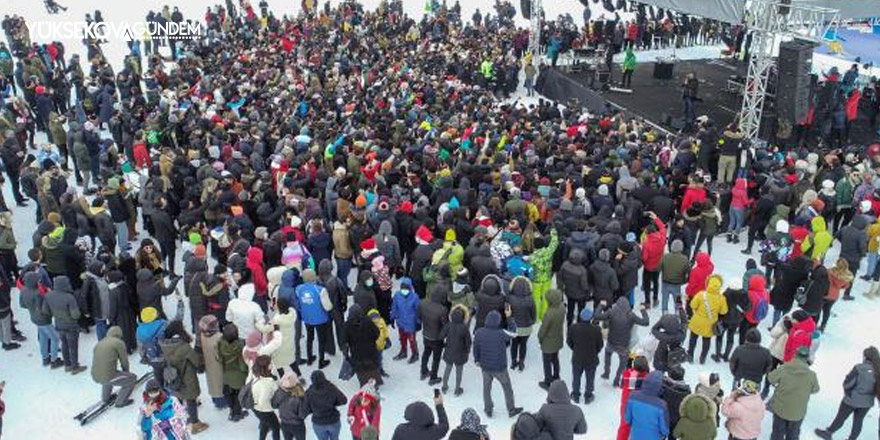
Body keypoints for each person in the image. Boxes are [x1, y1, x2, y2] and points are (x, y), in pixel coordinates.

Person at [814, 346, 880, 440]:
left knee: (841, 417)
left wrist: (847, 392)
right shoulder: (878, 371)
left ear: (865, 357)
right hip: (867, 403)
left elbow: (848, 383)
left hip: (852, 399)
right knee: (858, 421)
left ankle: (829, 432)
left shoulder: (859, 368)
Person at [159, 320, 208, 434]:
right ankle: (195, 424)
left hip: (173, 376)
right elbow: (196, 362)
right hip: (186, 376)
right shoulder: (183, 346)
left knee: (179, 397)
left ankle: (182, 418)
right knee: (191, 398)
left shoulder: (164, 344)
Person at [472, 309, 523, 418]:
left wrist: (477, 360)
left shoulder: (479, 332)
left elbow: (475, 347)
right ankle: (511, 409)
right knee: (507, 387)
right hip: (500, 368)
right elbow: (514, 333)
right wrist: (509, 318)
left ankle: (488, 409)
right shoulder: (501, 333)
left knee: (486, 388)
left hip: (485, 367)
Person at [767, 346, 820, 440]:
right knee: (793, 435)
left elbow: (770, 378)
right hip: (798, 412)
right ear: (807, 358)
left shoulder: (784, 368)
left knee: (777, 433)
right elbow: (815, 390)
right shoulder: (811, 375)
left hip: (780, 409)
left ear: (795, 355)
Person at [595, 297, 649, 386]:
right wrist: (643, 310)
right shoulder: (631, 315)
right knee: (622, 364)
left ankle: (606, 372)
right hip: (623, 345)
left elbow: (597, 316)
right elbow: (645, 322)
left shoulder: (611, 312)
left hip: (611, 342)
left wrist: (601, 305)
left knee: (607, 355)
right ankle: (616, 380)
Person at [42, 275, 86, 373]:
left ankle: (67, 365)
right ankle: (75, 367)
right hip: (71, 326)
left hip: (58, 324)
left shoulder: (48, 295)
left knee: (64, 345)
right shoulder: (69, 297)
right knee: (73, 346)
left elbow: (45, 311)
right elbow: (75, 315)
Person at [18, 271, 62, 366]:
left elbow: (22, 305)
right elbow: (45, 309)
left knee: (43, 338)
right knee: (55, 338)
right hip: (44, 319)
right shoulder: (38, 294)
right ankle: (54, 360)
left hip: (34, 317)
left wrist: (32, 307)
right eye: (38, 280)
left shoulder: (23, 290)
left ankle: (45, 358)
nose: (39, 281)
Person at [90, 325, 137, 408]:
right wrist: (127, 374)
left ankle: (106, 398)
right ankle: (121, 401)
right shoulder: (118, 343)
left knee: (107, 375)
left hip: (95, 375)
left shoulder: (100, 343)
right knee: (132, 378)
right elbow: (124, 361)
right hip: (108, 376)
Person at [687, 274, 728, 364]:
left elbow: (692, 305)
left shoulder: (701, 294)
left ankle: (690, 355)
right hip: (710, 323)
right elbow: (723, 312)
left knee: (693, 339)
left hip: (697, 321)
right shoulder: (721, 299)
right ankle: (703, 358)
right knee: (706, 341)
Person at [624, 371, 670, 440]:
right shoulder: (662, 405)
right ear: (660, 386)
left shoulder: (632, 396)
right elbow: (665, 430)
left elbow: (627, 419)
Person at [217, 323, 249, 422]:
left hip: (226, 373)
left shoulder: (220, 344)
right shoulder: (242, 345)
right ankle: (236, 413)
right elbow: (243, 364)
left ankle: (232, 409)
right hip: (239, 374)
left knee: (229, 393)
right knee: (239, 394)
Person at [304, 370, 347, 440]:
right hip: (333, 420)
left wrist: (313, 409)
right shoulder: (331, 387)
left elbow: (305, 409)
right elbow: (343, 400)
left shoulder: (308, 393)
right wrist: (334, 403)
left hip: (318, 422)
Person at [441, 305, 472, 396]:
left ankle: (444, 386)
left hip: (449, 351)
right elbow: (468, 342)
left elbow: (441, 336)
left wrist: (444, 345)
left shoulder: (448, 325)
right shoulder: (464, 327)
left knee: (447, 369)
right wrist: (467, 351)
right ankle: (457, 389)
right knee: (459, 372)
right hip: (460, 353)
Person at [391, 277, 420, 362]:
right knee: (402, 338)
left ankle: (415, 354)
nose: (404, 291)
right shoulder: (397, 295)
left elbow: (418, 311)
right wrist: (392, 317)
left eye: (406, 289)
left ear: (410, 288)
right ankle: (403, 351)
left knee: (412, 340)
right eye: (402, 289)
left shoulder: (415, 297)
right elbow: (394, 307)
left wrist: (418, 322)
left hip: (411, 324)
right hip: (401, 322)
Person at [252, 355, 281, 440]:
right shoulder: (269, 383)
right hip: (264, 410)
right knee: (276, 427)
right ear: (266, 367)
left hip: (255, 408)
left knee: (265, 424)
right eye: (270, 363)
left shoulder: (256, 374)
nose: (272, 364)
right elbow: (263, 400)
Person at [272, 371, 308, 440]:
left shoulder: (278, 393)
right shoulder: (298, 397)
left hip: (284, 424)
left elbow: (274, 405)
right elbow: (302, 415)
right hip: (297, 425)